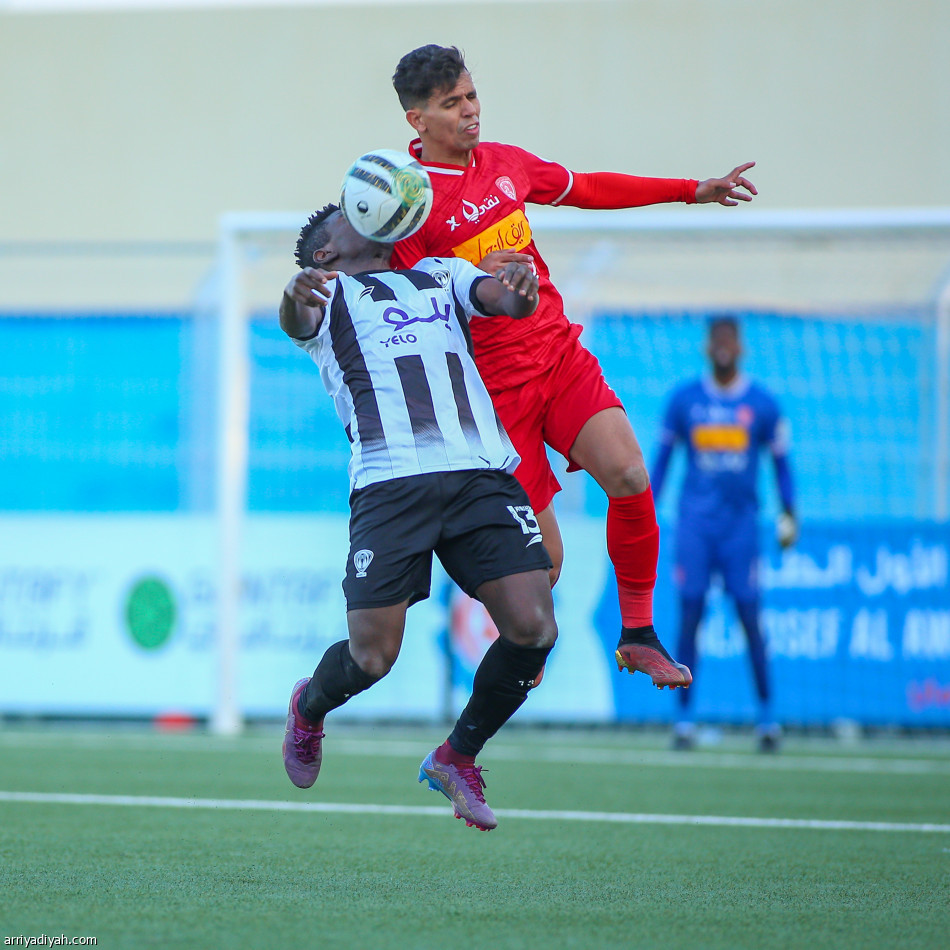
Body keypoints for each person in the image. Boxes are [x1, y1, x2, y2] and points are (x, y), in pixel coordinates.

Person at [390, 44, 757, 690]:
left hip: (557, 358)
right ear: (417, 120)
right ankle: (485, 696)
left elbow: (585, 188)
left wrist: (691, 191)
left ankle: (638, 634)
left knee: (627, 471)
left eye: (473, 95)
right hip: (495, 400)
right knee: (545, 567)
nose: (471, 112)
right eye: (453, 104)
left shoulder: (505, 163)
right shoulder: (410, 206)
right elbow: (412, 313)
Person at [279, 202, 558, 831]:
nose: (370, 212)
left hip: (479, 473)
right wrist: (295, 294)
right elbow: (297, 319)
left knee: (535, 627)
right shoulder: (327, 295)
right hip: (390, 486)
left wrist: (520, 288)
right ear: (324, 253)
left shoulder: (438, 272)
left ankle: (457, 756)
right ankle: (310, 707)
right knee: (373, 659)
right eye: (349, 214)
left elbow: (502, 301)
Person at [651, 315, 797, 752]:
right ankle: (683, 719)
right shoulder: (684, 400)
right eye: (716, 340)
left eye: (729, 341)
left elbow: (782, 465)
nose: (722, 347)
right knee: (691, 614)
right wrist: (645, 508)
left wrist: (790, 512)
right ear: (706, 347)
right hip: (695, 524)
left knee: (750, 617)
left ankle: (767, 719)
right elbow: (662, 461)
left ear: (740, 348)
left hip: (741, 528)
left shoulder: (763, 404)